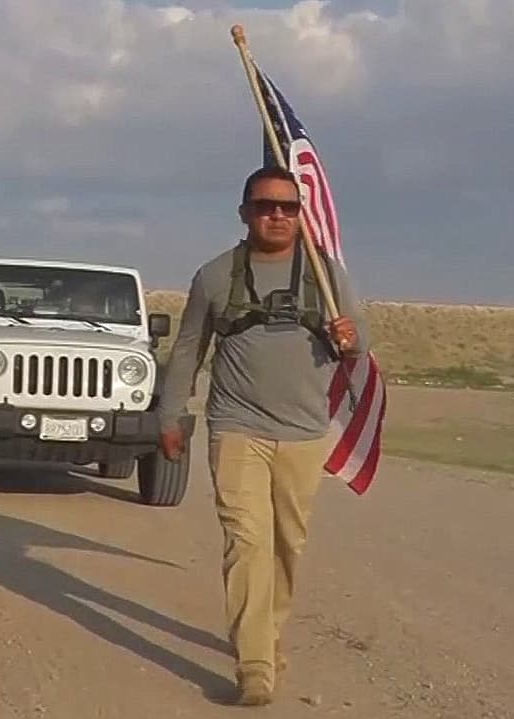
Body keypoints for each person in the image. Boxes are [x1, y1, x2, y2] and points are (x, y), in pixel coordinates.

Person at [155, 166, 369, 706]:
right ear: (244, 212)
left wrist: (348, 338)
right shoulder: (215, 276)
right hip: (236, 428)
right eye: (265, 205)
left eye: (288, 207)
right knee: (247, 541)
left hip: (303, 433)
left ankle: (268, 635)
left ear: (301, 215)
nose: (277, 215)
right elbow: (188, 349)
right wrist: (169, 416)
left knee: (285, 545)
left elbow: (358, 346)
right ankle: (254, 665)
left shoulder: (326, 277)